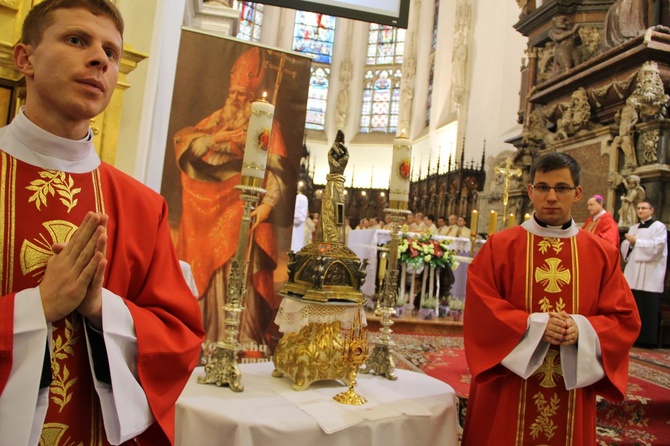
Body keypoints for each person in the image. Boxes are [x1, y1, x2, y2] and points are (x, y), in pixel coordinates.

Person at [0, 1, 205, 444]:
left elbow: (179, 338)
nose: (100, 59)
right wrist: (35, 309)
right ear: (25, 58)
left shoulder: (142, 206)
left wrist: (101, 310)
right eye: (77, 40)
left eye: (111, 52)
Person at [463, 152, 640, 445]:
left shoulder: (602, 253)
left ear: (578, 193)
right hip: (509, 383)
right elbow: (482, 309)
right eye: (543, 187)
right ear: (531, 190)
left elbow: (623, 319)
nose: (551, 197)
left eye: (561, 188)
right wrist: (534, 326)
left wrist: (581, 329)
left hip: (570, 385)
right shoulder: (501, 246)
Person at [173, 45, 292, 348]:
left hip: (244, 208)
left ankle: (241, 333)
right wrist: (219, 137)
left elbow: (277, 168)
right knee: (209, 271)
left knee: (237, 269)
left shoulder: (266, 126)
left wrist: (266, 205)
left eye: (243, 94)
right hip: (207, 211)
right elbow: (186, 145)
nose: (237, 98)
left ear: (252, 98)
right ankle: (207, 331)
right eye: (234, 93)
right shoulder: (217, 120)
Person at [621, 199, 668, 346]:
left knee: (648, 307)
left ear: (651, 210)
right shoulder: (634, 227)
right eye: (639, 208)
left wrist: (637, 242)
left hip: (650, 273)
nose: (640, 210)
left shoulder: (658, 227)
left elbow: (658, 246)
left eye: (644, 208)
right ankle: (631, 337)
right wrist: (628, 244)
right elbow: (626, 249)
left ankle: (647, 340)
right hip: (634, 272)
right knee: (633, 305)